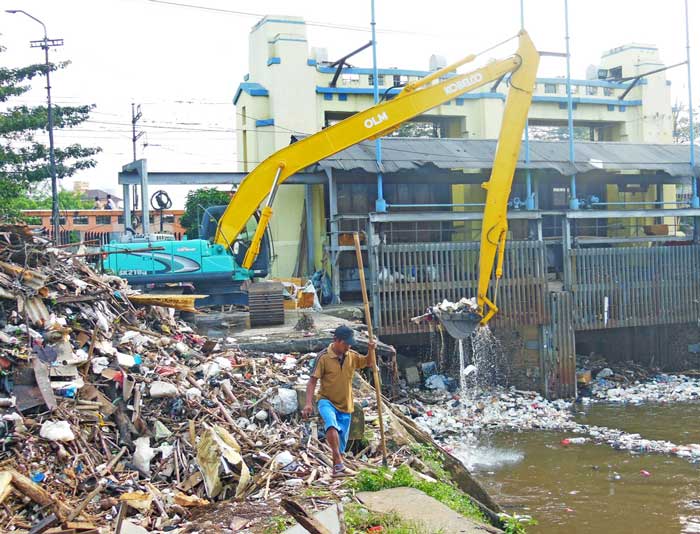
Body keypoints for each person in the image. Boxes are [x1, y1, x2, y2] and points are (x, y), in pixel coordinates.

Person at [303, 325, 376, 475]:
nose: (348, 346)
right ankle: (337, 461)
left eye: (350, 344)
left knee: (341, 444)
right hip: (326, 400)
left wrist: (371, 350)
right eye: (345, 343)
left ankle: (338, 467)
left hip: (346, 404)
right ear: (336, 340)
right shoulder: (323, 357)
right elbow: (312, 382)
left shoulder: (352, 356)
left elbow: (368, 362)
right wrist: (308, 403)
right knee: (331, 425)